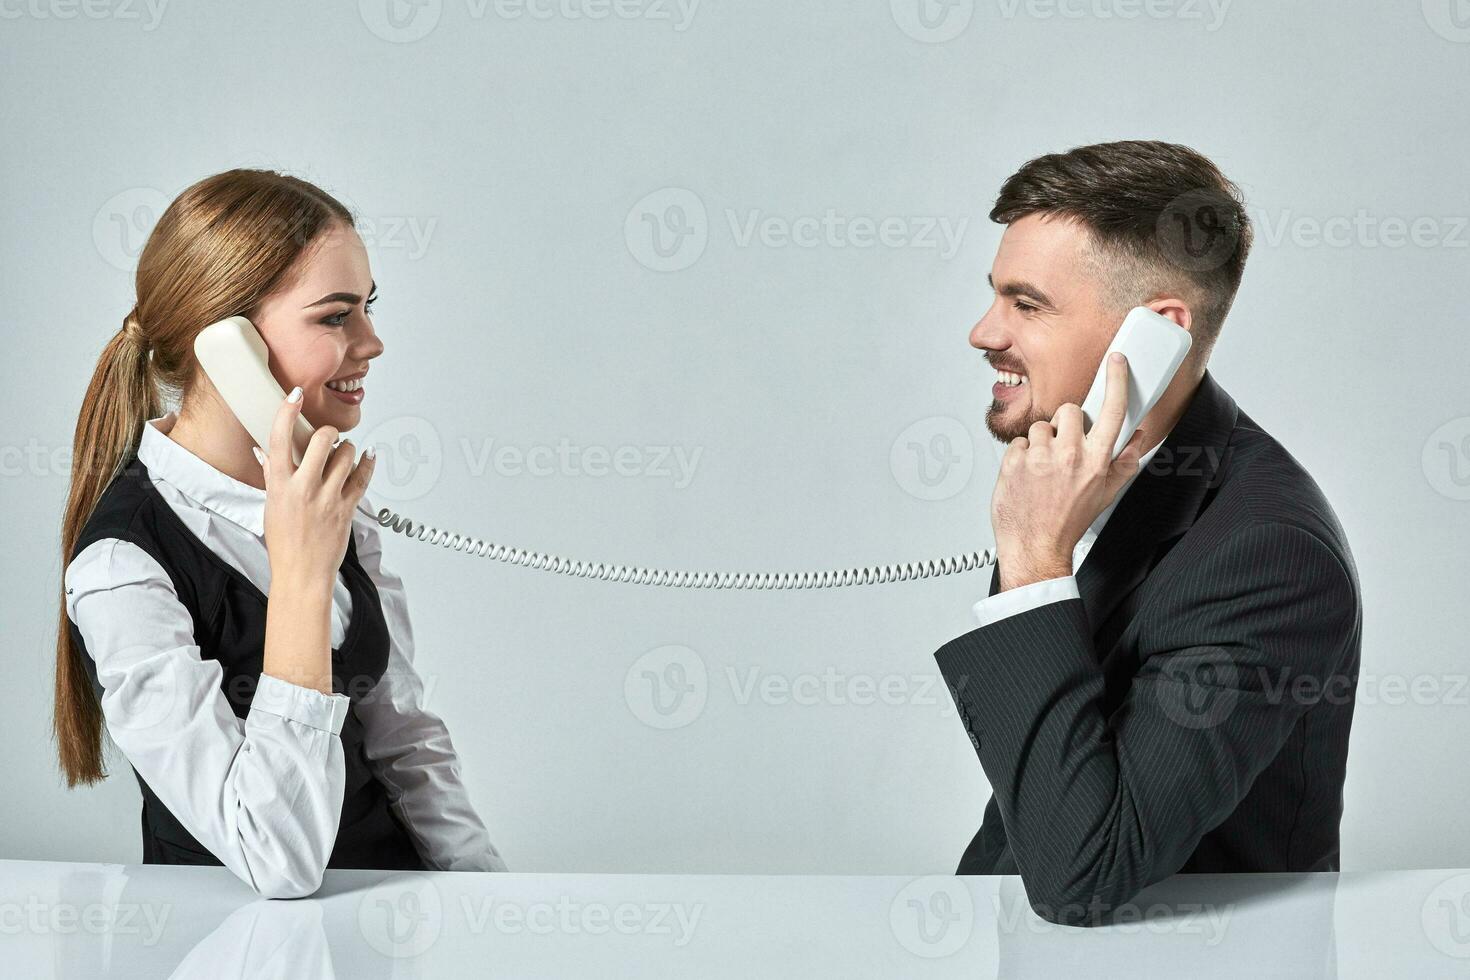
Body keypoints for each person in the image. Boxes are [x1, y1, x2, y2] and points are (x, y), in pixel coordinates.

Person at [935, 140, 1361, 925]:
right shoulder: (1079, 479)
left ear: (1156, 333)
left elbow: (1085, 873)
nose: (982, 332)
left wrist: (1033, 563)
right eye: (995, 296)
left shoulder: (1268, 557)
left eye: (1026, 305)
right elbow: (1035, 783)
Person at [55, 169, 505, 898]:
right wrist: (300, 578)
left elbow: (403, 738)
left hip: (394, 922)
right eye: (336, 316)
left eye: (368, 308)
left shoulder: (326, 499)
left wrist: (489, 901)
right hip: (237, 947)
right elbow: (278, 860)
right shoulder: (121, 565)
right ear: (228, 346)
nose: (373, 342)